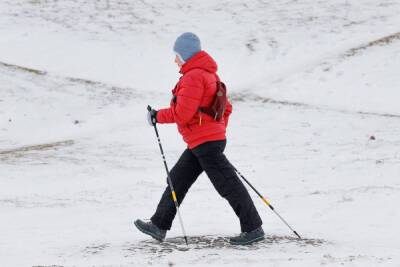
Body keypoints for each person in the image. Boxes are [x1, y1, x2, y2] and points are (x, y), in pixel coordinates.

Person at [135, 32, 264, 245]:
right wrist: (218, 130)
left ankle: (253, 228)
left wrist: (157, 116)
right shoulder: (209, 75)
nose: (175, 60)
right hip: (203, 142)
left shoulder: (194, 76)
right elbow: (227, 108)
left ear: (185, 54)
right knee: (177, 179)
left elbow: (183, 114)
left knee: (228, 184)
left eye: (177, 55)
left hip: (205, 143)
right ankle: (158, 225)